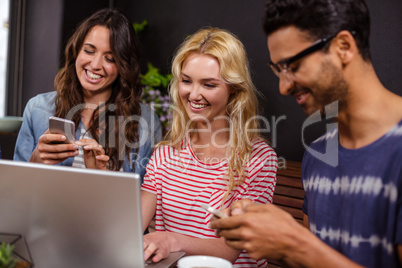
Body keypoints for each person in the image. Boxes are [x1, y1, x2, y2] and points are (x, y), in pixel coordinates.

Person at [211, 0, 402, 267]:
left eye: (293, 65)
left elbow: (307, 251)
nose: (283, 87)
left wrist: (294, 243)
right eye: (278, 70)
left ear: (343, 47)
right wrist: (273, 239)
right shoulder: (319, 155)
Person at [140, 28, 278, 267]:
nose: (194, 94)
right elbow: (132, 226)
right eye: (186, 81)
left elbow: (229, 250)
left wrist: (170, 240)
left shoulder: (258, 159)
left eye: (209, 84)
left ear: (233, 89)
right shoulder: (165, 153)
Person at [13, 9, 161, 177]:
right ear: (76, 50)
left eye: (110, 58)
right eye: (89, 51)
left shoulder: (145, 123)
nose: (96, 64)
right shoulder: (38, 109)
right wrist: (37, 160)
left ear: (124, 66)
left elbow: (142, 198)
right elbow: (16, 188)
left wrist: (101, 177)